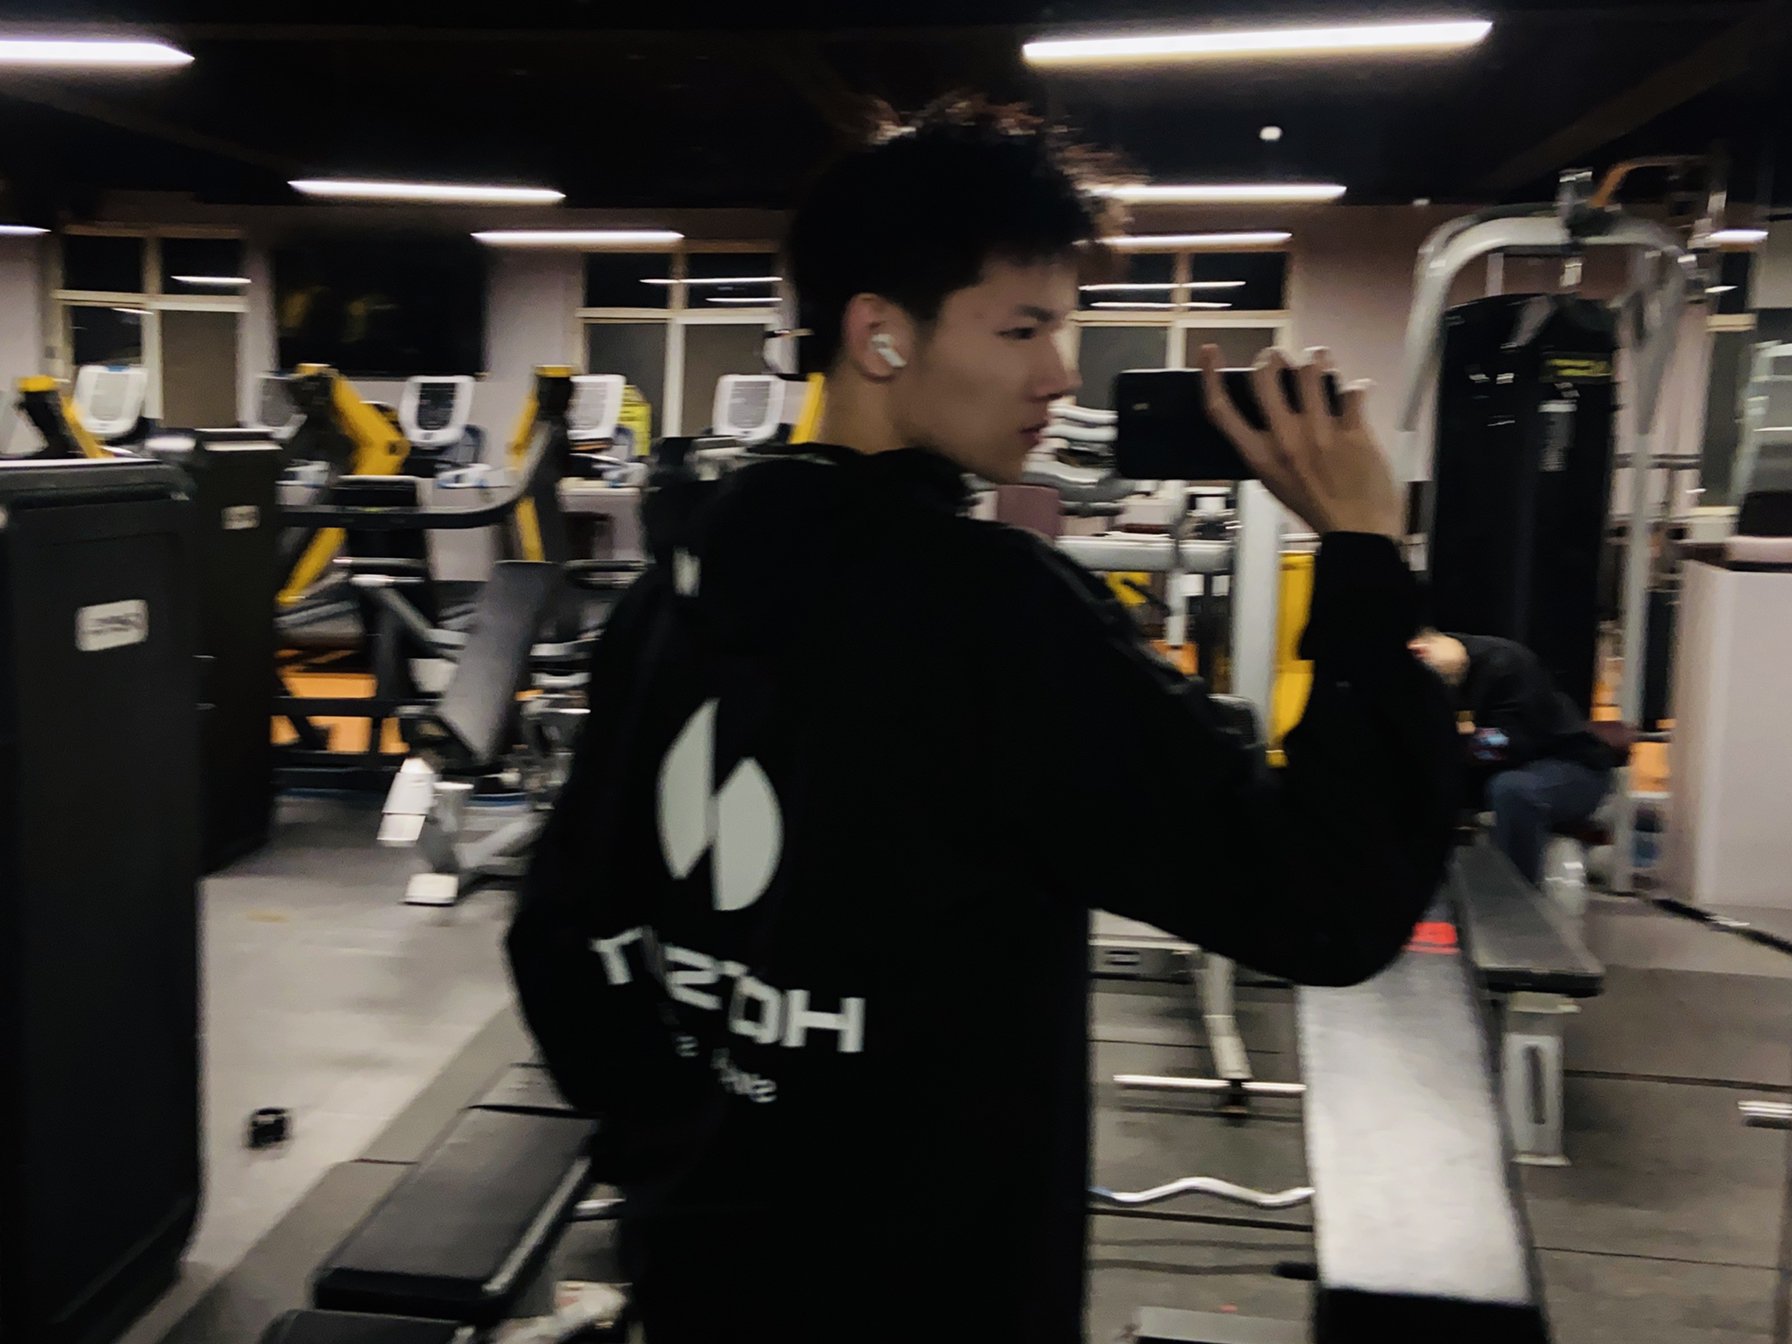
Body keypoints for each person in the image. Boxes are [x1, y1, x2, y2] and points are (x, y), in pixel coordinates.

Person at [506, 98, 1458, 1343]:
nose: (1059, 374)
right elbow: (1326, 904)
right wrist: (1366, 558)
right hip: (934, 1299)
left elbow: (560, 940)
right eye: (1022, 328)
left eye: (1061, 327)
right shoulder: (996, 614)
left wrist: (680, 1148)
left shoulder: (670, 592)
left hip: (702, 1275)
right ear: (879, 336)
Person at [1407, 629, 1619, 882]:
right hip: (1496, 769)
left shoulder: (1506, 664)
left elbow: (1506, 742)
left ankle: (1514, 894)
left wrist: (1448, 745)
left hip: (1572, 766)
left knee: (1513, 791)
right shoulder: (1411, 666)